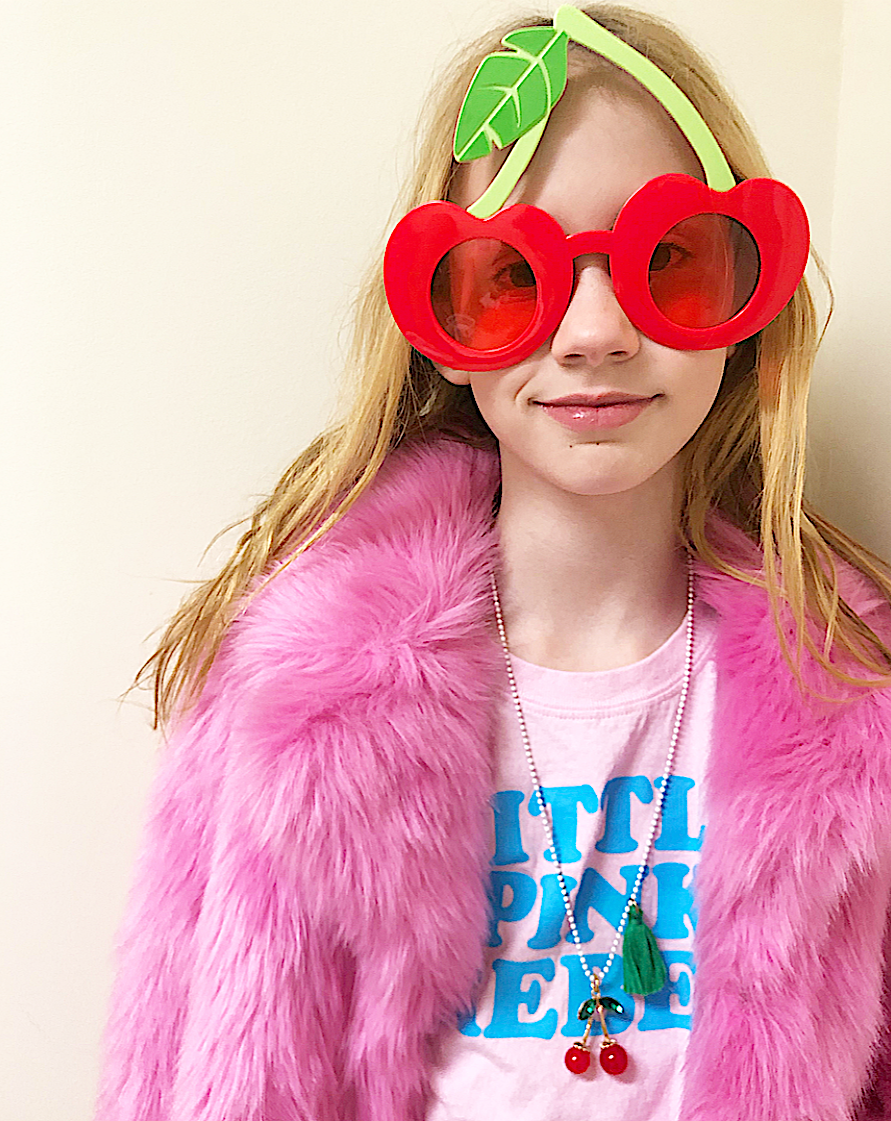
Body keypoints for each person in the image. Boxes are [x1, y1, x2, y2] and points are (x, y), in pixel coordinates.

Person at [95, 5, 891, 1120]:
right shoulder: (298, 694)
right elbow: (185, 1068)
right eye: (515, 276)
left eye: (672, 260)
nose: (594, 329)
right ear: (441, 311)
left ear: (751, 289)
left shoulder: (851, 697)